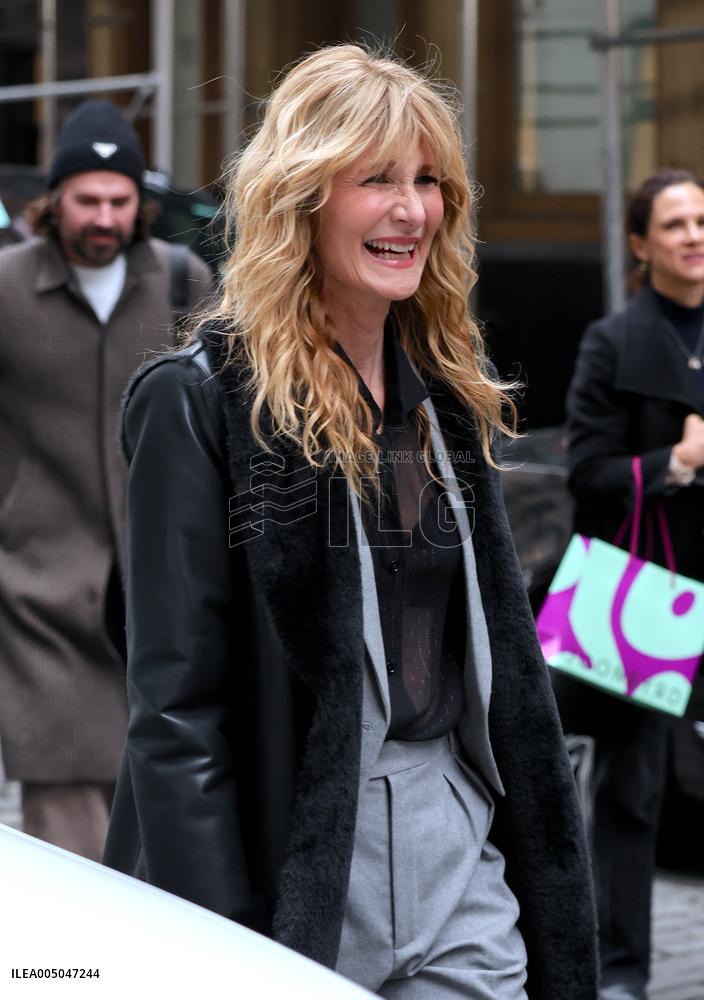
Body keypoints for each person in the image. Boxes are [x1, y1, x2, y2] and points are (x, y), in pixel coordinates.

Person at [104, 45, 597, 998]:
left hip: (453, 837)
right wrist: (226, 951)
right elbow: (173, 709)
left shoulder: (445, 398)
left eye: (427, 181)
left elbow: (494, 657)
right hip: (299, 849)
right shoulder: (199, 401)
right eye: (375, 180)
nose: (411, 211)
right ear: (303, 198)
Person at [0, 99, 212, 862]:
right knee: (65, 839)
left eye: (119, 201)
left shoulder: (185, 283)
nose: (103, 217)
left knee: (159, 820)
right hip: (37, 596)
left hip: (162, 596)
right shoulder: (6, 288)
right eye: (87, 200)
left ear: (140, 205)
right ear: (54, 201)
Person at [556, 168, 704, 1000]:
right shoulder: (615, 341)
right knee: (632, 790)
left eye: (702, 219)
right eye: (674, 224)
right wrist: (674, 464)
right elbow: (586, 471)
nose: (694, 235)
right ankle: (619, 971)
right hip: (653, 595)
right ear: (643, 245)